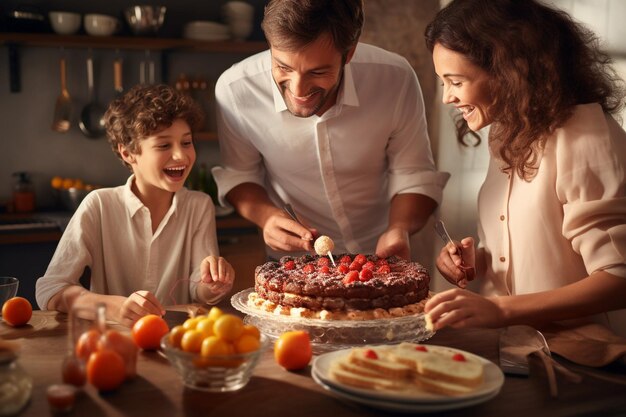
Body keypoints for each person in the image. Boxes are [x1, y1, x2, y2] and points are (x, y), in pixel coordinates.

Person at [423, 0, 626, 337]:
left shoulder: (586, 139)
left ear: (510, 72)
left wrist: (501, 310)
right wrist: (480, 261)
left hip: (578, 363)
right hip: (518, 351)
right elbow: (537, 250)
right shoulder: (508, 132)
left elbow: (619, 278)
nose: (447, 98)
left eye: (456, 82)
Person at [212, 0, 449, 261]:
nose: (298, 90)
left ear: (349, 53)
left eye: (317, 72)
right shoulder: (235, 90)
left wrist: (399, 228)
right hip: (295, 263)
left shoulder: (394, 78)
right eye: (283, 67)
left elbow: (413, 174)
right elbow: (239, 175)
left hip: (379, 258)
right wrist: (266, 216)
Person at [36, 84, 235, 327]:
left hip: (177, 341)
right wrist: (113, 307)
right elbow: (50, 289)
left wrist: (212, 283)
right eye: (164, 145)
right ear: (128, 153)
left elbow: (198, 290)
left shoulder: (199, 205)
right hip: (111, 343)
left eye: (186, 142)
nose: (181, 156)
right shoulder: (99, 205)